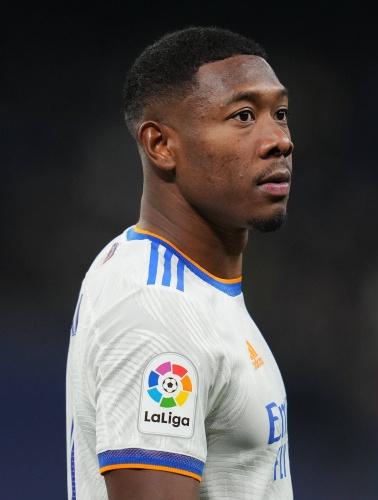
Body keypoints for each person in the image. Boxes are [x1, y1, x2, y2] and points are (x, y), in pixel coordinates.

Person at [65, 26, 294, 500]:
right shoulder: (156, 306)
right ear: (161, 146)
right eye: (244, 116)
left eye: (281, 114)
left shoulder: (186, 283)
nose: (279, 140)